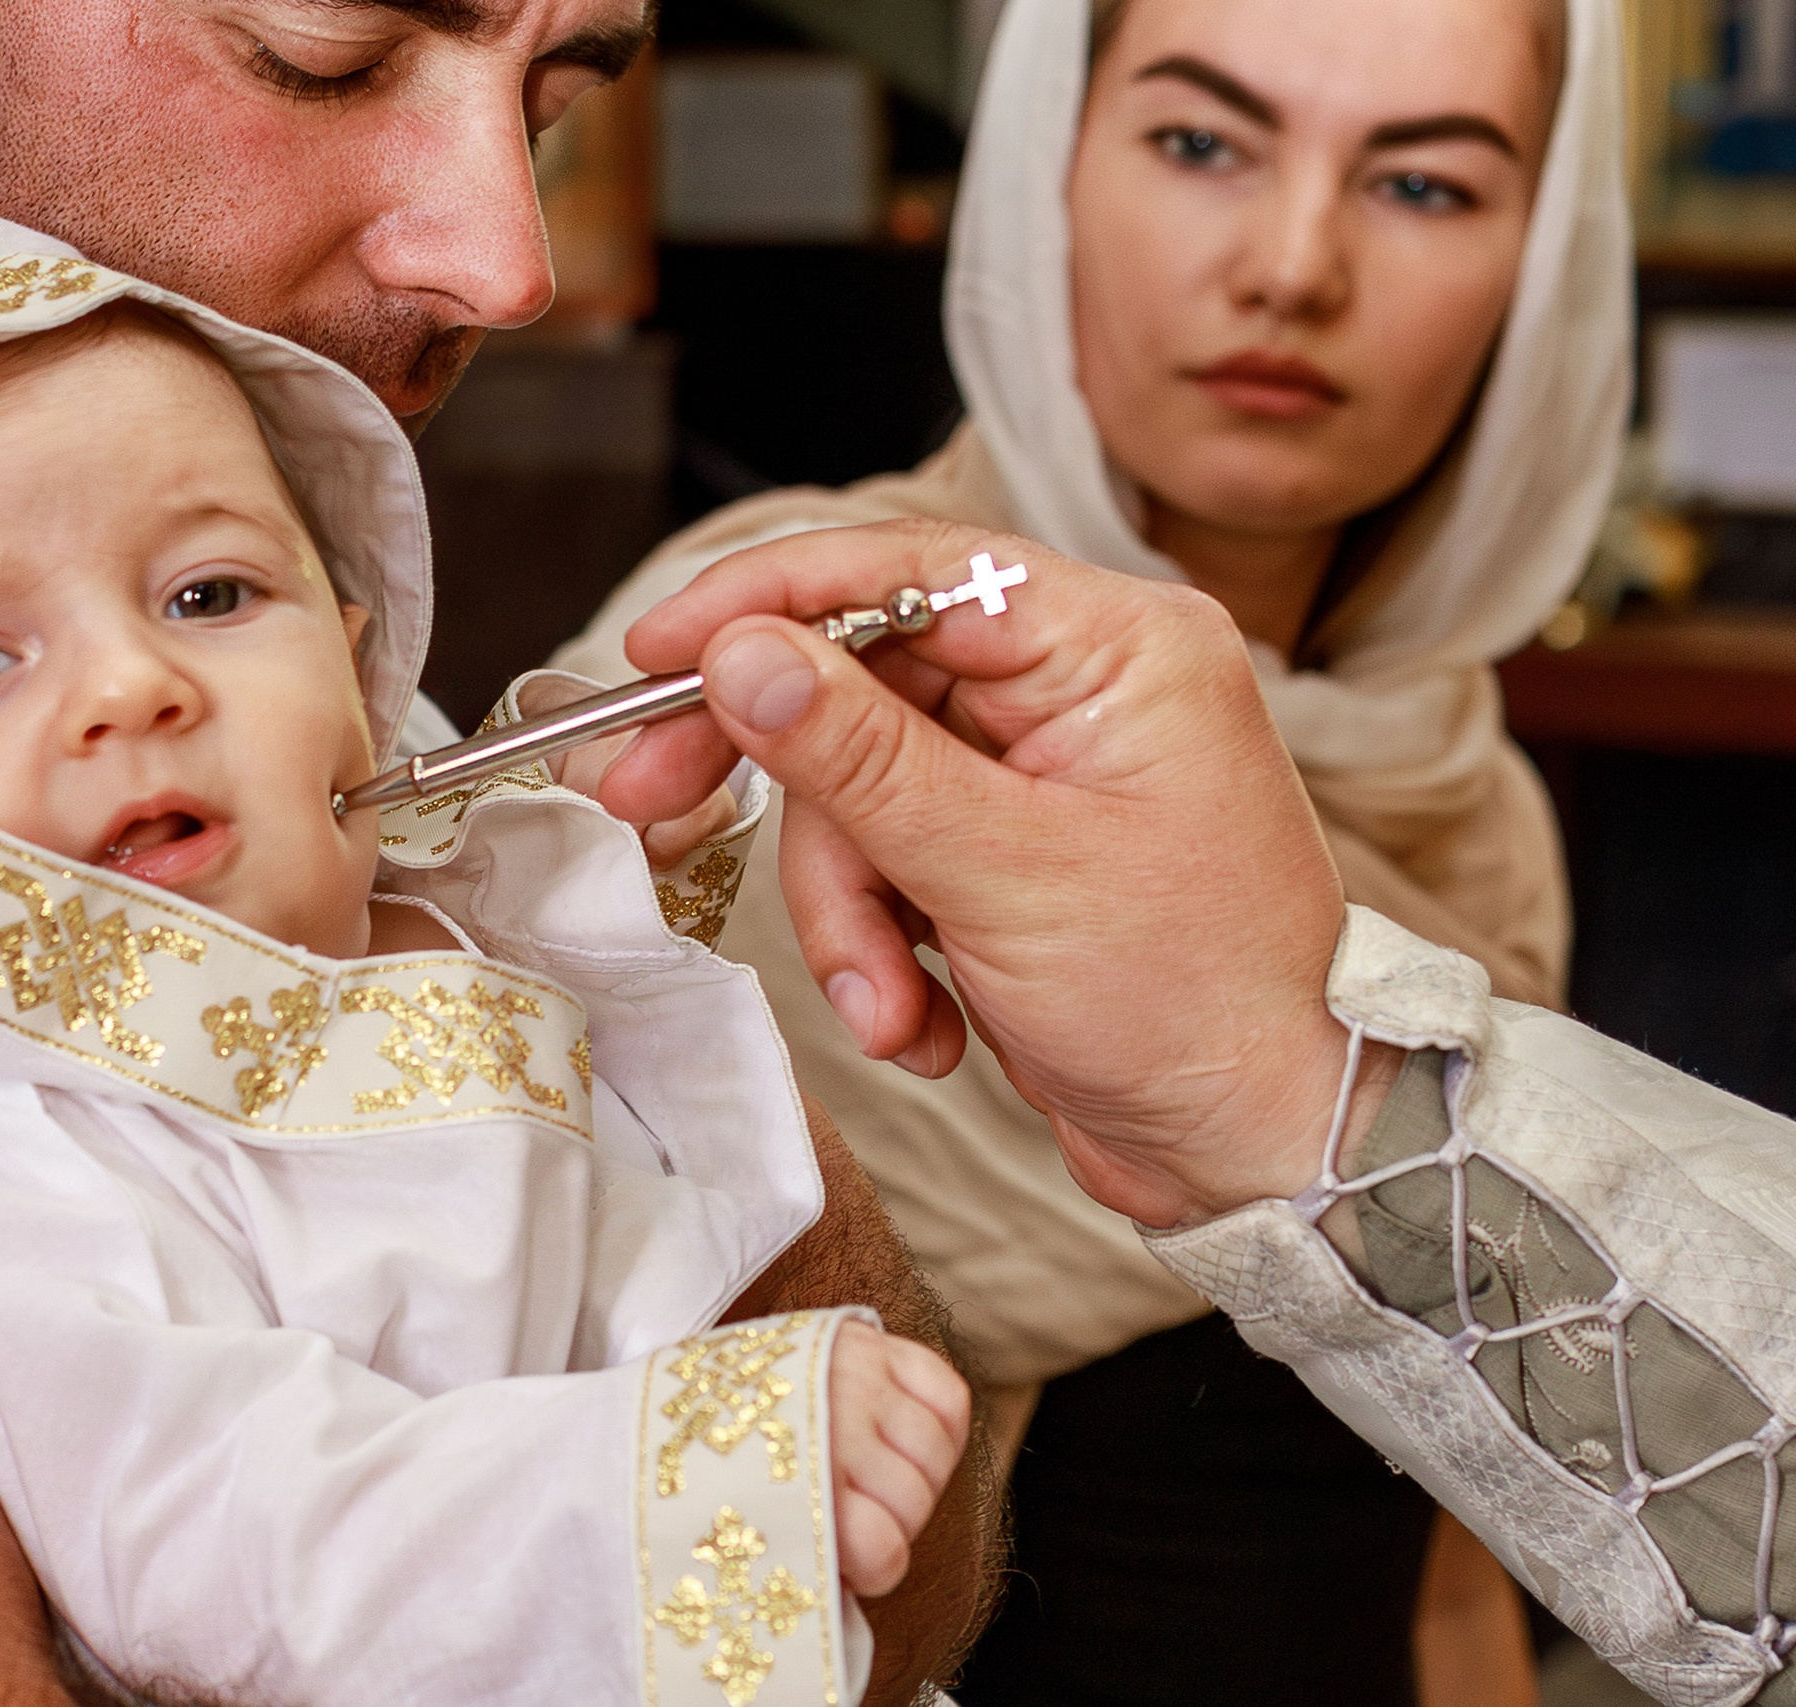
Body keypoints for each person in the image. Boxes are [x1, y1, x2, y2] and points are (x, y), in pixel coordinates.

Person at [0, 171, 967, 1705]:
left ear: (358, 661)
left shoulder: (431, 911)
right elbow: (222, 1540)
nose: (130, 688)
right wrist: (692, 1470)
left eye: (209, 591)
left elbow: (596, 1091)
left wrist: (609, 850)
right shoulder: (55, 1147)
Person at [558, 0, 1625, 1695]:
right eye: (1200, 143)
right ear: (1046, 169)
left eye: (1421, 186)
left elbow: (1442, 1543)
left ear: (1548, 267)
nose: (1291, 266)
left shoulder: (1470, 798)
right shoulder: (769, 676)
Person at [593, 519, 1796, 1707]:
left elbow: (1456, 1570)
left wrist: (1284, 1082)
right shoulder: (618, 808)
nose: (1283, 306)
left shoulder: (1480, 797)